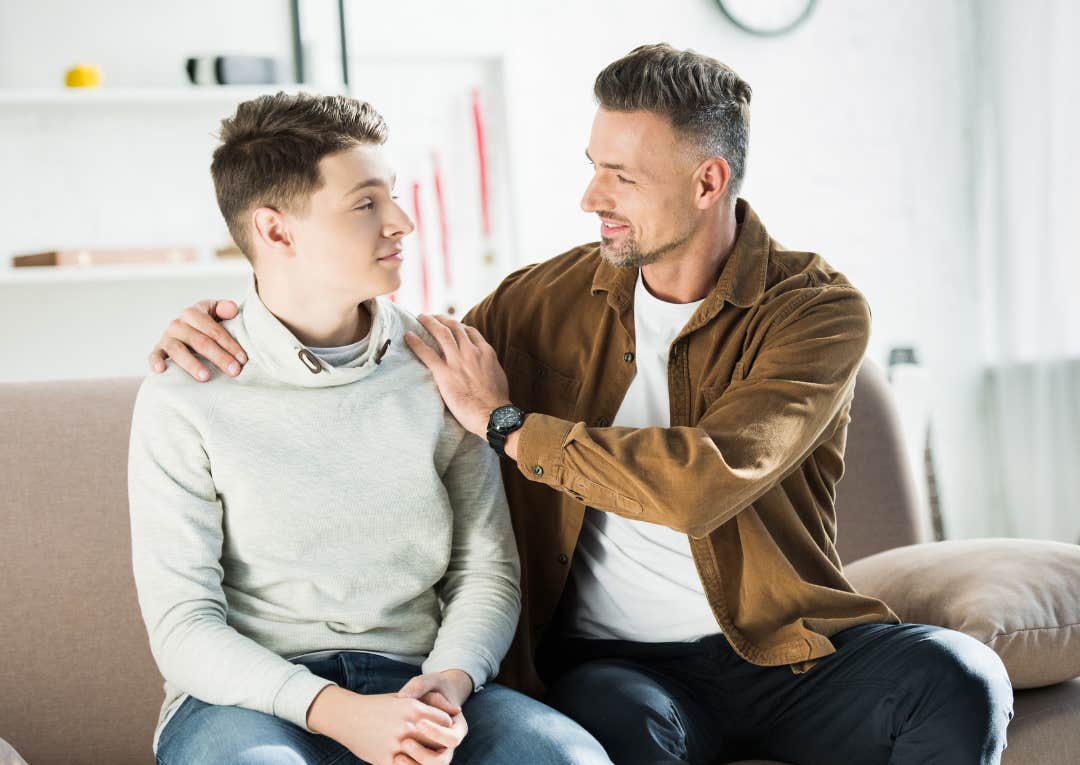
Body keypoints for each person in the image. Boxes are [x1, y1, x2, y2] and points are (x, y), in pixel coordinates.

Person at [149, 45, 1013, 764]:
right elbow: (364, 339)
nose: (590, 196)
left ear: (707, 182)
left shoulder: (815, 311)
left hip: (781, 647)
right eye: (592, 166)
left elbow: (703, 481)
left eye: (620, 176)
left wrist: (511, 427)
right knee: (607, 725)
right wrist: (224, 321)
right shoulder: (537, 303)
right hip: (613, 667)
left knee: (958, 678)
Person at [128, 92, 607, 765]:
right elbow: (184, 624)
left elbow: (485, 568)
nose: (403, 222)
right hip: (245, 703)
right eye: (367, 203)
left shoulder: (443, 369)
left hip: (422, 677)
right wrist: (339, 712)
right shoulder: (185, 391)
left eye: (395, 197)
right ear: (276, 231)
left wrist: (448, 682)